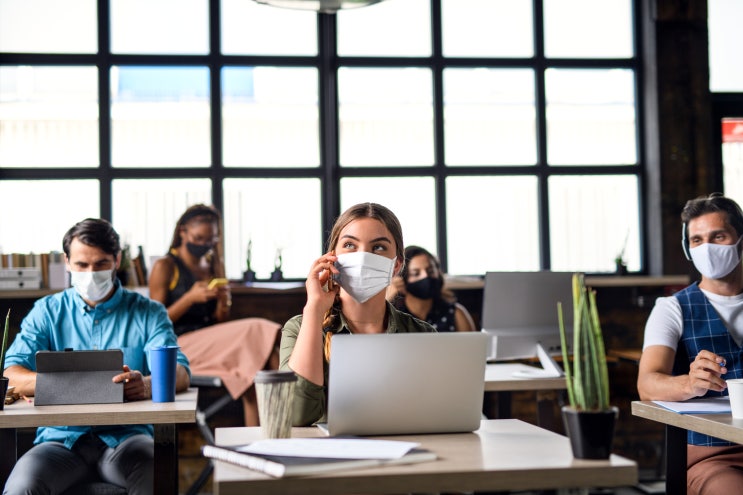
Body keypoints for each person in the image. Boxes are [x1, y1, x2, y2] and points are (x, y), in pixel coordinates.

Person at [2, 218, 190, 495]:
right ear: (67, 262)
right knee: (21, 488)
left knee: (155, 476)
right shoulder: (46, 311)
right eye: (81, 265)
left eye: (101, 263)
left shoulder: (149, 312)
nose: (91, 273)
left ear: (117, 260)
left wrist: (146, 385)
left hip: (128, 439)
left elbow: (181, 373)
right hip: (60, 440)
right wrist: (73, 384)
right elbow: (10, 376)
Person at [279, 202, 436, 426]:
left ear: (397, 265)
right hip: (328, 456)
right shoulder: (300, 328)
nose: (362, 257)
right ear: (332, 258)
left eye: (378, 247)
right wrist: (313, 310)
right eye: (350, 245)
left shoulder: (422, 334)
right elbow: (295, 415)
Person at [637, 192, 743, 494]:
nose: (706, 247)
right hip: (713, 456)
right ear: (688, 249)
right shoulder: (672, 308)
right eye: (697, 240)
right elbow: (647, 383)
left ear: (741, 240)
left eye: (718, 236)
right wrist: (689, 384)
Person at [148, 204, 281, 426]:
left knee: (261, 366)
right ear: (182, 232)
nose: (205, 245)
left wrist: (223, 302)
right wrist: (189, 299)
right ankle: (296, 416)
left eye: (211, 240)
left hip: (212, 344)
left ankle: (274, 435)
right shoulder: (166, 266)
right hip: (177, 347)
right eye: (199, 238)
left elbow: (220, 323)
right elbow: (152, 324)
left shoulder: (213, 265)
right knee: (257, 328)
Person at [386, 245, 476, 332]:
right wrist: (386, 300)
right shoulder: (393, 316)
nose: (426, 276)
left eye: (431, 271)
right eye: (416, 273)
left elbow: (474, 346)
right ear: (402, 280)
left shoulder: (456, 314)